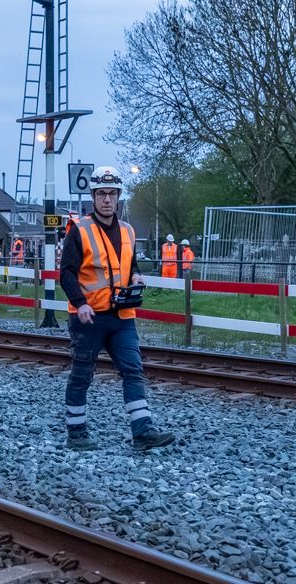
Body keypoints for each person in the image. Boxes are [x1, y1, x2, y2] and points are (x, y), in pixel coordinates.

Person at [61, 166, 175, 452]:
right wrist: (80, 303)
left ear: (118, 196)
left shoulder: (128, 231)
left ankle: (143, 432)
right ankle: (76, 433)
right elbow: (67, 273)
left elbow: (130, 264)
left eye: (112, 194)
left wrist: (136, 276)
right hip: (89, 317)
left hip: (122, 316)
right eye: (102, 194)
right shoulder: (80, 231)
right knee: (82, 375)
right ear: (93, 196)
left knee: (133, 370)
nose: (107, 199)